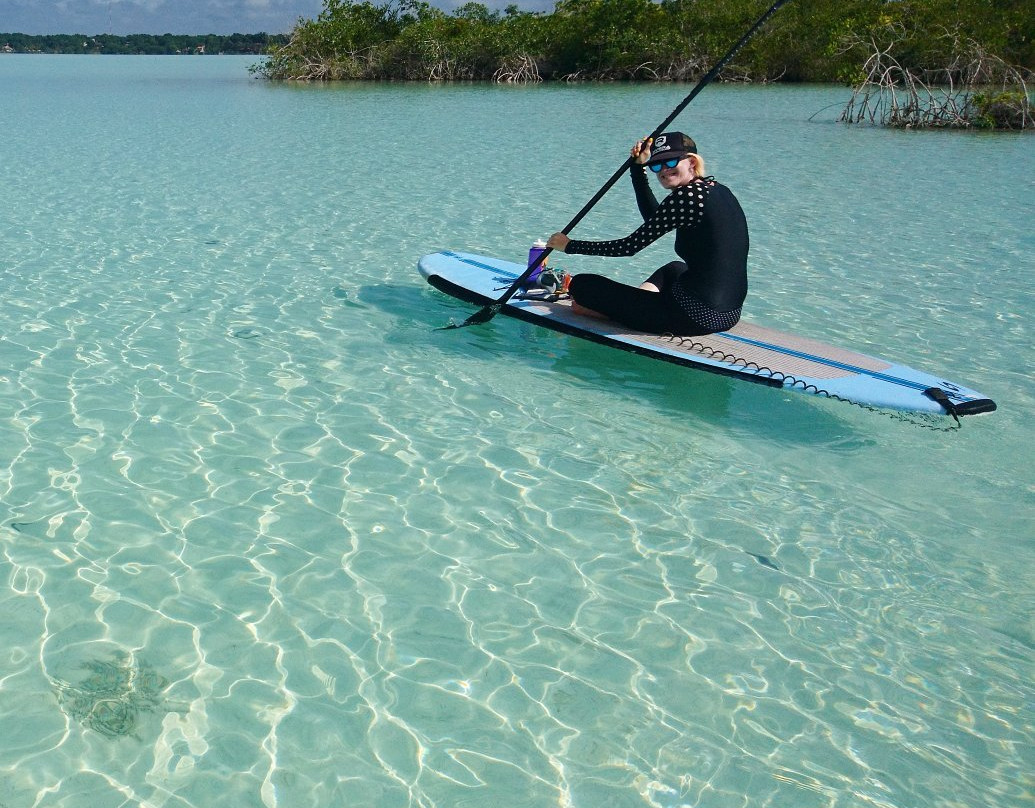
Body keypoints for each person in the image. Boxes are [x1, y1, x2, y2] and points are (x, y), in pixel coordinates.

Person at [546, 132, 748, 336]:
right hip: (729, 314)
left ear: (691, 162)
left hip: (695, 317)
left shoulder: (684, 197)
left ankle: (627, 312)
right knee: (674, 268)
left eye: (670, 161)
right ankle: (639, 306)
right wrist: (637, 168)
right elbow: (655, 220)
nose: (663, 170)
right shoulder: (718, 190)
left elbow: (628, 247)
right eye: (656, 165)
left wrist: (569, 246)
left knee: (582, 285)